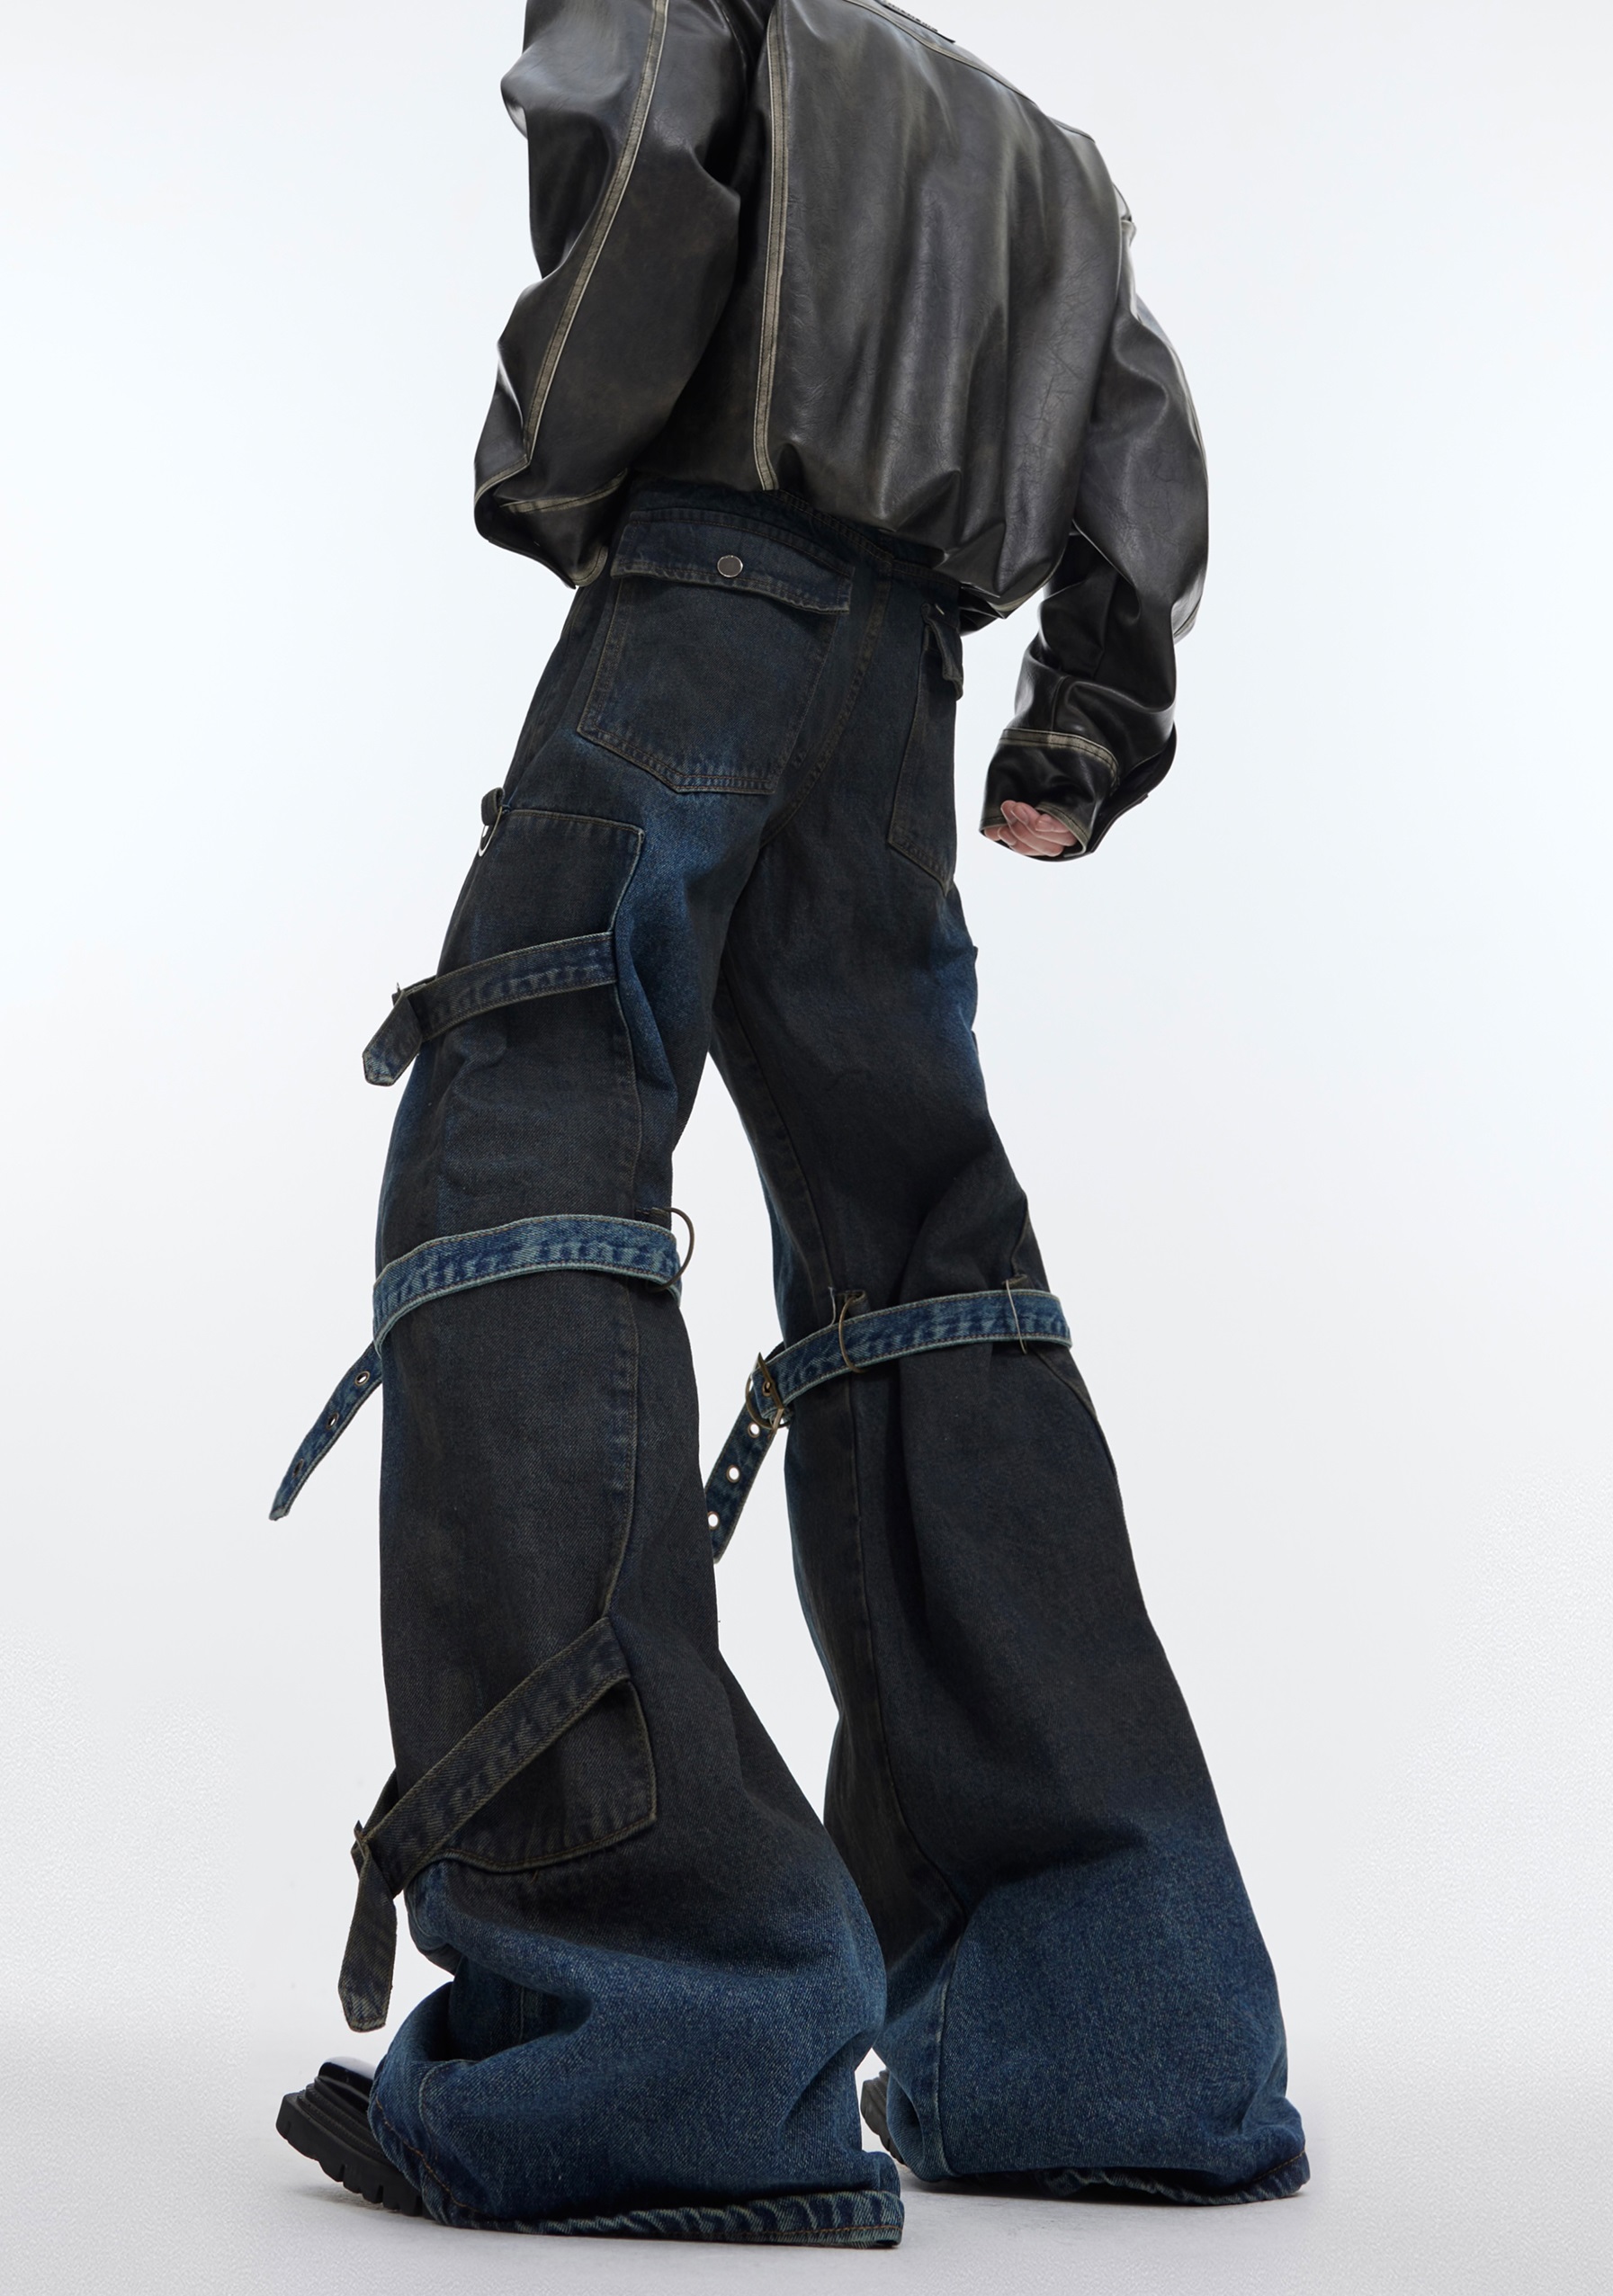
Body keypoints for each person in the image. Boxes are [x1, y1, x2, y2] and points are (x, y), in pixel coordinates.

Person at [271, 0, 1307, 2244]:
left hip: (705, 592)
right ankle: (1119, 2039)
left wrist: (573, 474)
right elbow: (1142, 433)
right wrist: (1088, 715)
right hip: (900, 679)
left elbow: (637, 155)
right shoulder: (1048, 155)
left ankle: (652, 2033)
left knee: (522, 1136)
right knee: (923, 1255)